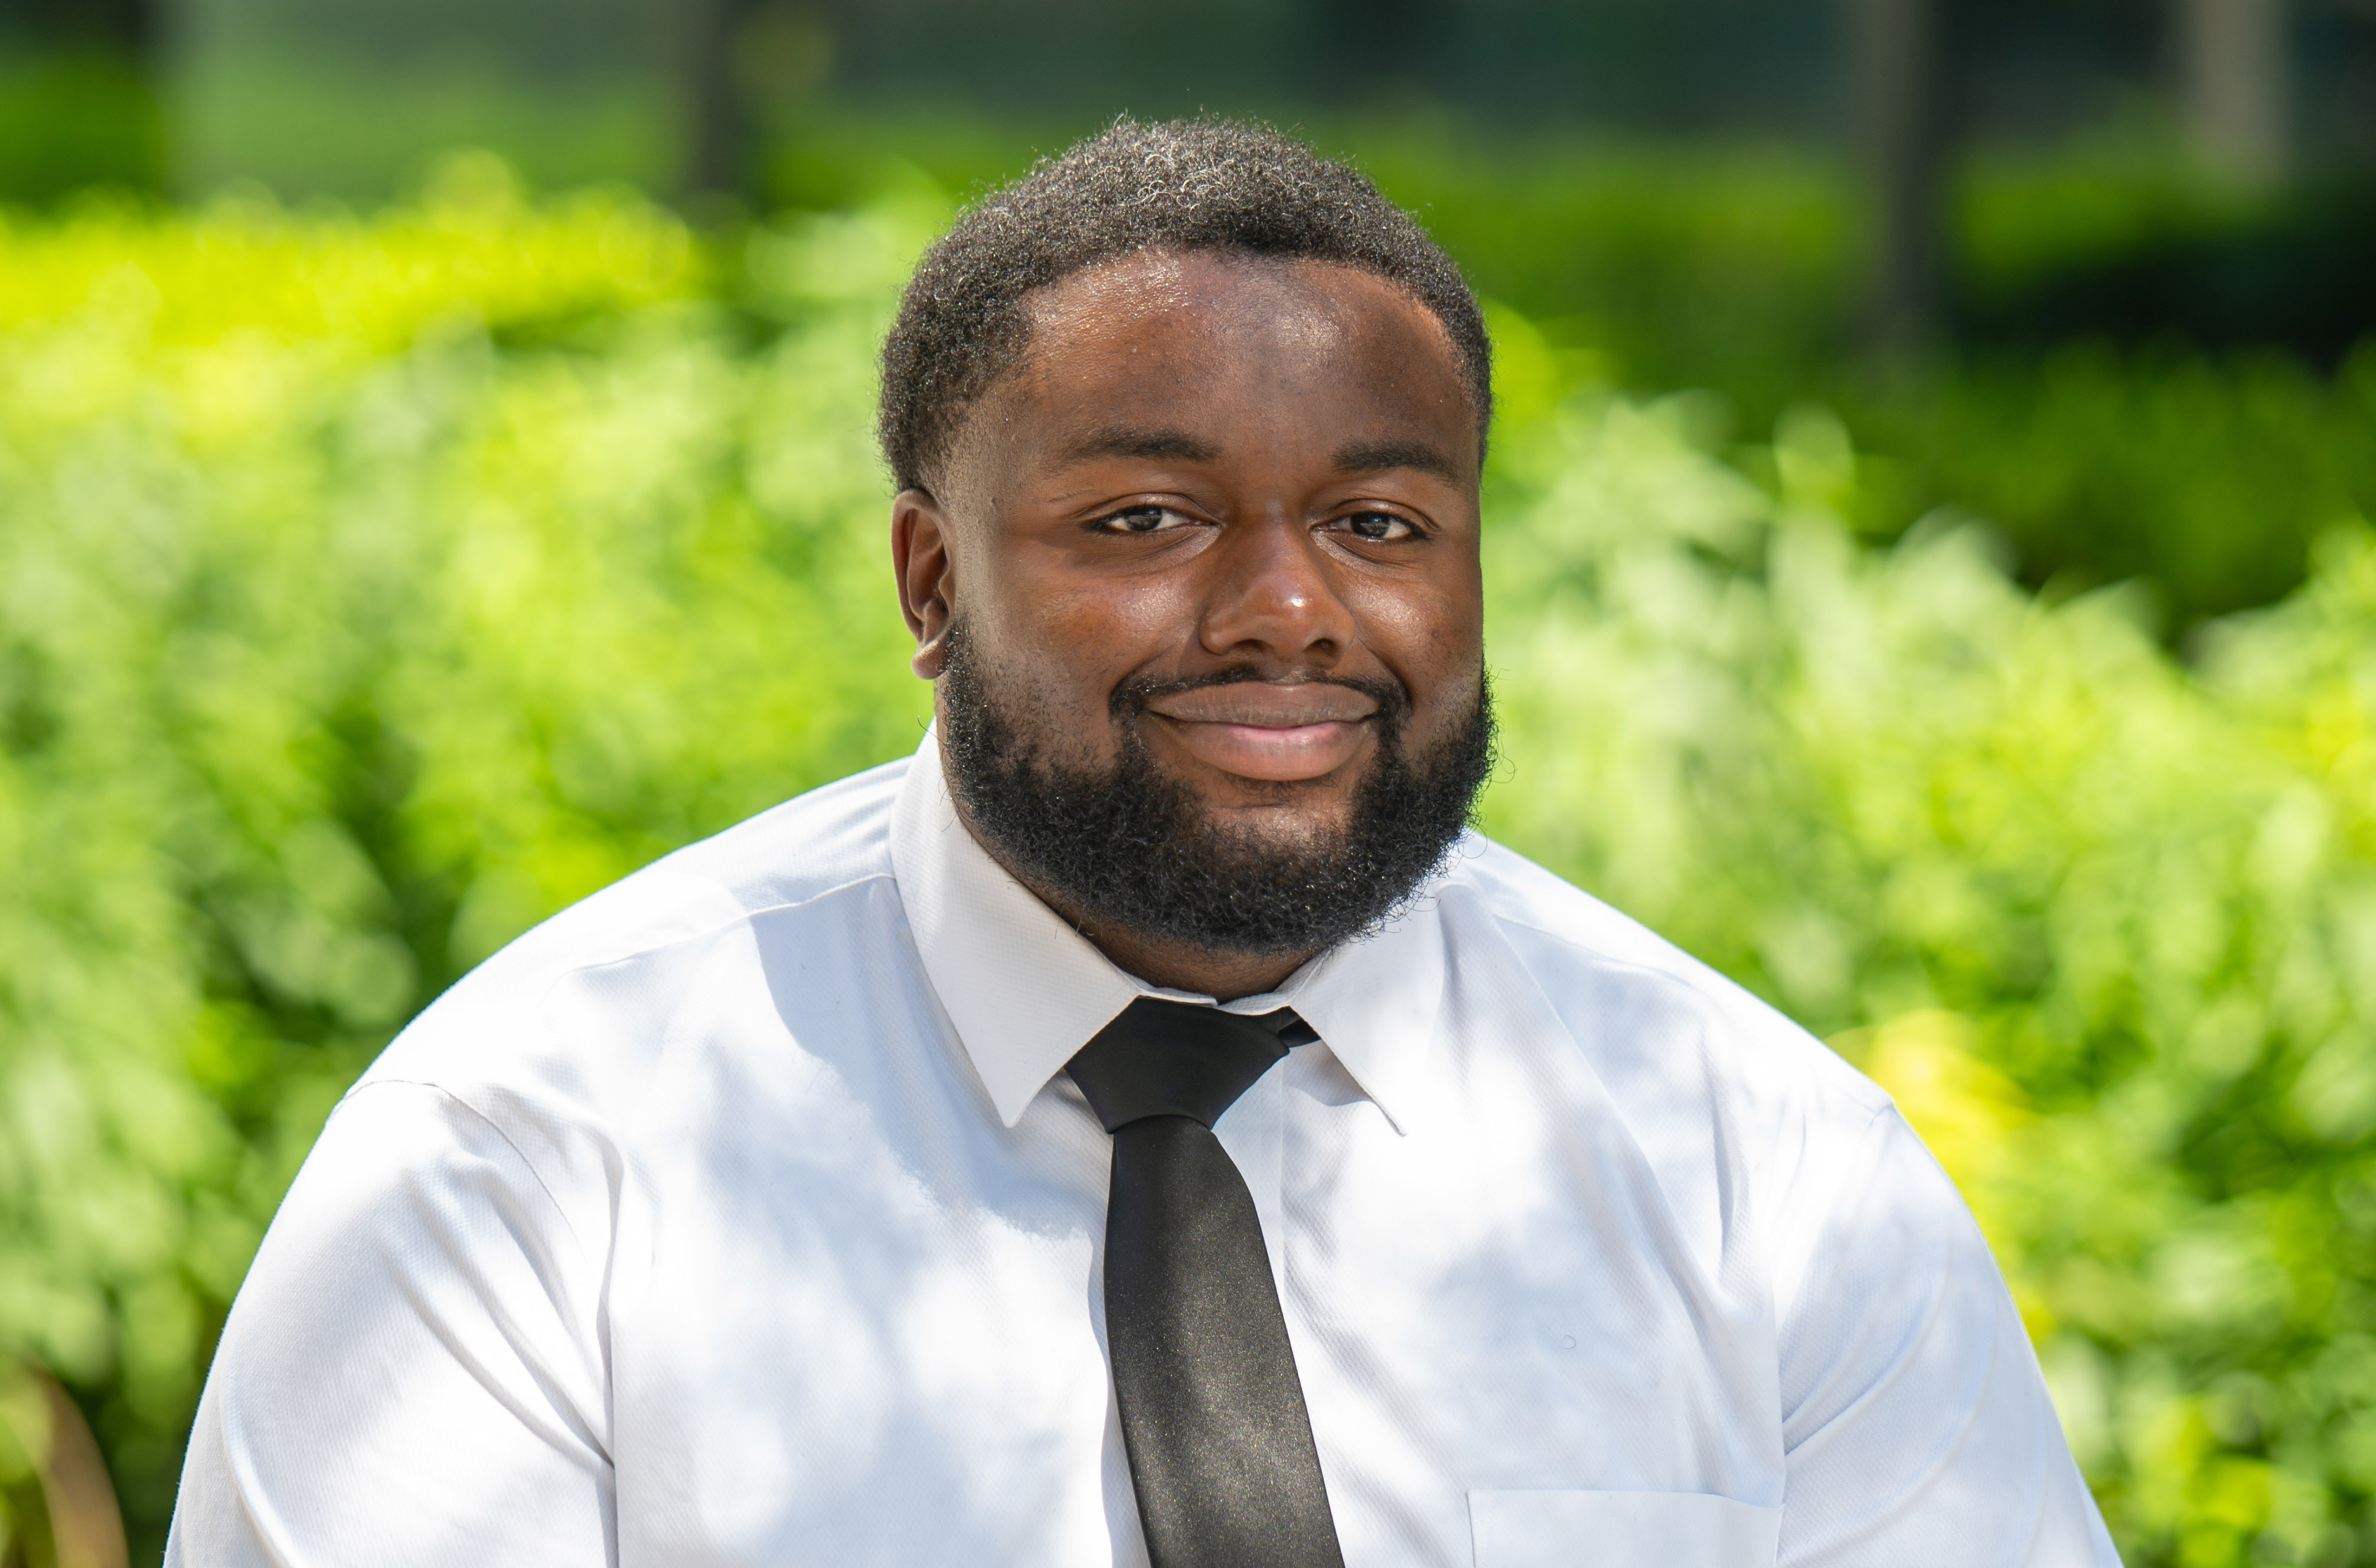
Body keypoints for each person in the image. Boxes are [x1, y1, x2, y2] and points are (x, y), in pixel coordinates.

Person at [165, 119, 2119, 1567]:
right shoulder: (538, 1159)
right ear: (931, 579)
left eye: (1378, 524)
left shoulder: (1757, 1170)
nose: (1288, 611)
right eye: (1145, 522)